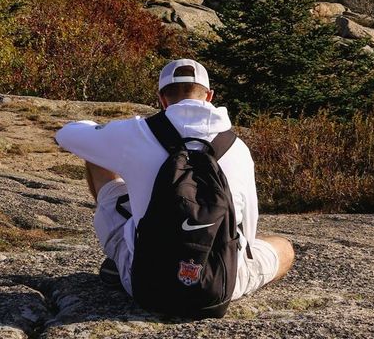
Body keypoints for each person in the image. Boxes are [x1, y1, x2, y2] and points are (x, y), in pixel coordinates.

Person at [54, 58, 294, 312]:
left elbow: (66, 135)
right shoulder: (237, 148)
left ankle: (124, 258)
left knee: (95, 154)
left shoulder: (136, 133)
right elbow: (249, 231)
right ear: (209, 96)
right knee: (284, 248)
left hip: (146, 284)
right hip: (219, 286)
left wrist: (104, 132)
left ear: (162, 99)